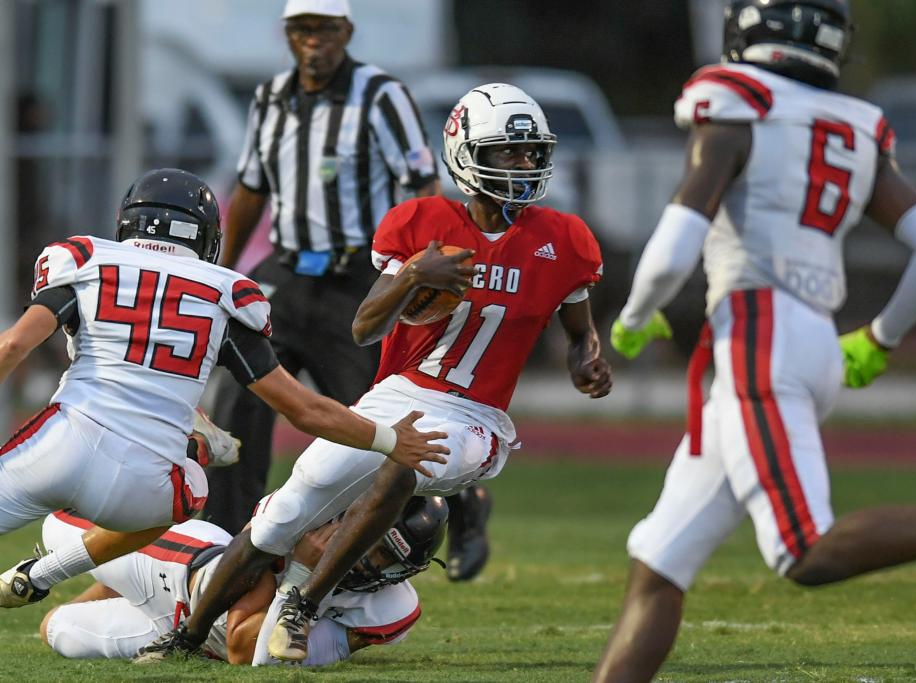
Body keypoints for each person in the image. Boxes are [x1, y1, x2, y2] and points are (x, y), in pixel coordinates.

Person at [134, 82, 612, 664]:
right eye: (508, 152)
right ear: (467, 153)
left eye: (532, 152)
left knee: (402, 464)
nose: (525, 165)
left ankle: (302, 605)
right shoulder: (421, 223)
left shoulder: (565, 240)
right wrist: (413, 275)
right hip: (398, 394)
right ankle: (184, 639)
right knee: (283, 513)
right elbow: (364, 327)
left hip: (478, 418)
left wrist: (586, 357)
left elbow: (579, 331)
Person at [594, 2, 916, 681]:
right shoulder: (852, 124)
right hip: (812, 335)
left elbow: (674, 250)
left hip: (757, 336)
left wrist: (637, 313)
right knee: (659, 559)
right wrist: (879, 337)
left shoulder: (737, 106)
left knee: (803, 551)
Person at [0, 167, 448, 609]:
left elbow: (12, 346)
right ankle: (41, 575)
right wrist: (389, 439)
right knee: (192, 485)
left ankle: (191, 443)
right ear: (205, 235)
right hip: (141, 490)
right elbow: (303, 409)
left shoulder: (82, 259)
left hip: (58, 447)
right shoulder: (224, 293)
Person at [206, 0, 490, 582]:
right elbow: (251, 189)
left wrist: (414, 274)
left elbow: (420, 186)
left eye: (326, 28)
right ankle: (225, 546)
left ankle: (461, 508)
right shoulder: (269, 98)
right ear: (288, 34)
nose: (315, 40)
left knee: (378, 418)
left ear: (347, 32)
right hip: (285, 272)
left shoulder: (381, 95)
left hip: (356, 279)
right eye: (303, 28)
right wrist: (223, 272)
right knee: (240, 398)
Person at [39, 496, 446, 665]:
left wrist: (299, 573)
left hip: (177, 628)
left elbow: (246, 649)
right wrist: (291, 578)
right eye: (366, 543)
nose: (363, 562)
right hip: (180, 569)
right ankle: (50, 576)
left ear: (407, 570)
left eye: (385, 557)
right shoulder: (304, 517)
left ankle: (116, 588)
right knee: (55, 526)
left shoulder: (389, 611)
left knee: (54, 629)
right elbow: (249, 633)